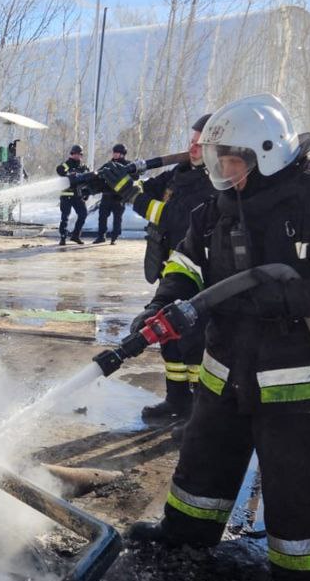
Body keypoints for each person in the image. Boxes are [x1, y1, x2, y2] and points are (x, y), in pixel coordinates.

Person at [117, 94, 310, 581]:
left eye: (231, 160)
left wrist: (283, 298)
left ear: (265, 153)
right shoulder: (216, 206)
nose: (222, 170)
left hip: (295, 382)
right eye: (218, 160)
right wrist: (162, 303)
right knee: (204, 462)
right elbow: (185, 262)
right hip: (224, 370)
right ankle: (187, 538)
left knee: (294, 487)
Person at [104, 114, 217, 424]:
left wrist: (132, 194)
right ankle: (177, 400)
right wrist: (118, 179)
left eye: (200, 143)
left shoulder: (213, 183)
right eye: (191, 141)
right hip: (174, 270)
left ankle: (198, 409)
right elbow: (147, 191)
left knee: (193, 344)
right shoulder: (179, 173)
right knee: (169, 339)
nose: (193, 148)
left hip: (201, 274)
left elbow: (171, 217)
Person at [93, 144, 130, 243]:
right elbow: (98, 174)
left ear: (122, 154)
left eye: (117, 152)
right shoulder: (108, 165)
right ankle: (101, 236)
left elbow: (134, 178)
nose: (114, 154)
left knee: (117, 218)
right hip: (106, 196)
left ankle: (114, 237)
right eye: (114, 152)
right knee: (102, 217)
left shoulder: (128, 165)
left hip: (119, 197)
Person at [56, 144, 90, 245]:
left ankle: (76, 236)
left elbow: (88, 180)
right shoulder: (67, 164)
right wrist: (69, 174)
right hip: (66, 195)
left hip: (78, 196)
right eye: (74, 154)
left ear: (81, 155)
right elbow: (60, 170)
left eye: (78, 154)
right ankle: (63, 237)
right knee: (65, 216)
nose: (76, 156)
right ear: (71, 154)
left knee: (83, 214)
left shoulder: (83, 167)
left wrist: (86, 193)